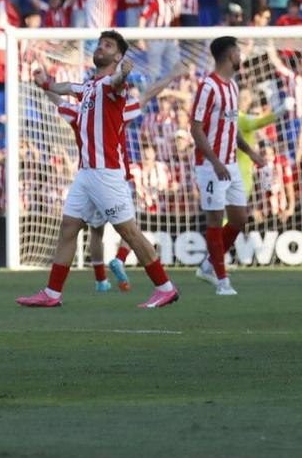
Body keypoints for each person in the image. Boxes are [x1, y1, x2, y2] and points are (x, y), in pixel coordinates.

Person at [17, 30, 179, 310]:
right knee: (68, 228)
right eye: (100, 43)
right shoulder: (88, 88)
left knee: (129, 232)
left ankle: (165, 287)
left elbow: (117, 83)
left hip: (106, 173)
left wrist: (124, 74)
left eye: (107, 45)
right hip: (85, 173)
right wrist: (44, 81)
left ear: (117, 56)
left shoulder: (112, 86)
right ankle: (52, 293)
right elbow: (63, 90)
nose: (100, 47)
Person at [192, 35, 255, 297]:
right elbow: (195, 129)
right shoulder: (208, 86)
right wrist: (215, 161)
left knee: (239, 218)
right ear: (231, 56)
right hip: (210, 165)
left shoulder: (233, 87)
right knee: (216, 219)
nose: (241, 57)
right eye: (239, 53)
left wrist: (251, 152)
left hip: (229, 163)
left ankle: (208, 264)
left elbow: (232, 128)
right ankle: (221, 279)